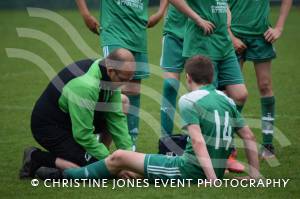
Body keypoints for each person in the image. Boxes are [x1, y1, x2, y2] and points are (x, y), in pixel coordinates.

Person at [63, 55, 260, 181]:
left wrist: (212, 181)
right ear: (211, 77)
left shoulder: (189, 100)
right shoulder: (228, 100)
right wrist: (255, 176)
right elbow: (249, 137)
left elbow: (198, 141)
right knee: (129, 167)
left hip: (188, 171)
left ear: (188, 77)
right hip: (212, 170)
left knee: (119, 157)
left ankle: (67, 175)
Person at [20, 48, 136, 179]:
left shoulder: (109, 76)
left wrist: (129, 158)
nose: (125, 84)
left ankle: (93, 156)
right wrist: (110, 161)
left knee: (122, 102)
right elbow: (83, 134)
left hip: (73, 120)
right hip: (49, 127)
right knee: (87, 169)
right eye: (123, 79)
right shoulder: (86, 86)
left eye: (129, 79)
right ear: (110, 71)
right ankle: (36, 158)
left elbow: (115, 118)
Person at [76, 0, 168, 151]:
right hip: (113, 32)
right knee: (112, 88)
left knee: (133, 91)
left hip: (138, 34)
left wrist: (160, 12)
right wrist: (85, 14)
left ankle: (130, 145)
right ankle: (97, 142)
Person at [169, 0, 247, 173]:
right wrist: (197, 19)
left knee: (240, 95)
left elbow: (224, 4)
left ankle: (223, 149)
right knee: (211, 101)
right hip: (201, 43)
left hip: (224, 45)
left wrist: (227, 24)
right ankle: (215, 155)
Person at [228, 0, 292, 159]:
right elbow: (219, 5)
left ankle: (268, 143)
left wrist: (279, 27)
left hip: (261, 36)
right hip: (234, 35)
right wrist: (230, 36)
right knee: (232, 92)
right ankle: (228, 142)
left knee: (265, 86)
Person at [160, 3, 187, 137]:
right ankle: (165, 140)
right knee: (170, 85)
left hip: (198, 32)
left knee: (197, 89)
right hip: (173, 30)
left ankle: (191, 138)